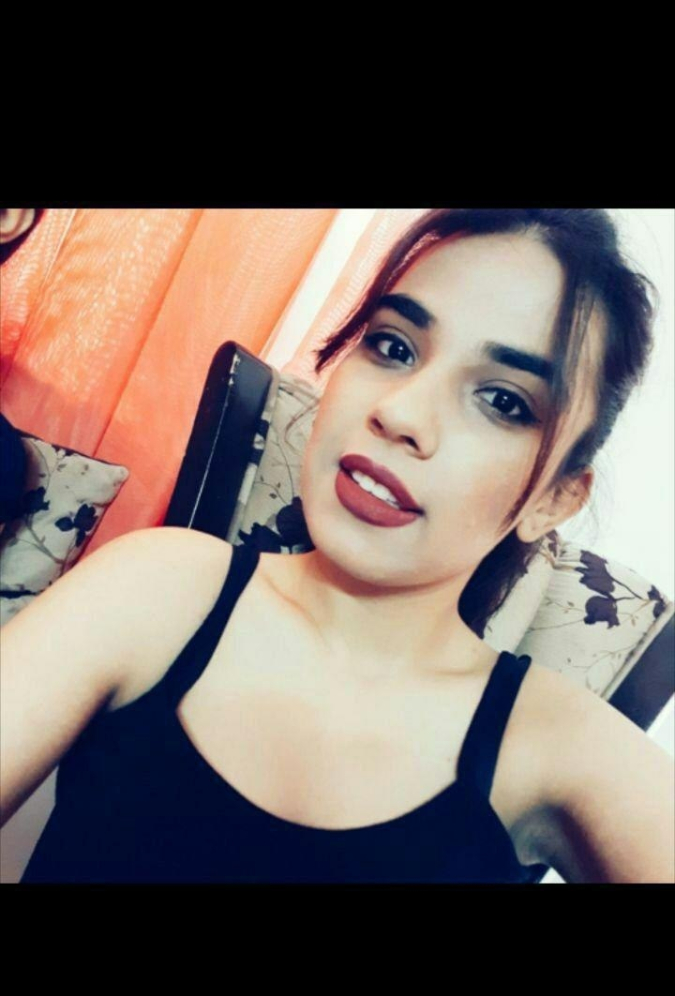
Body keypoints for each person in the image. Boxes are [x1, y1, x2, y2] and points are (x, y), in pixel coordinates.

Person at [1, 209, 673, 883]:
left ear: (555, 498)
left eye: (502, 401)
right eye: (393, 346)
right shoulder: (158, 588)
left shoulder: (558, 745)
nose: (400, 413)